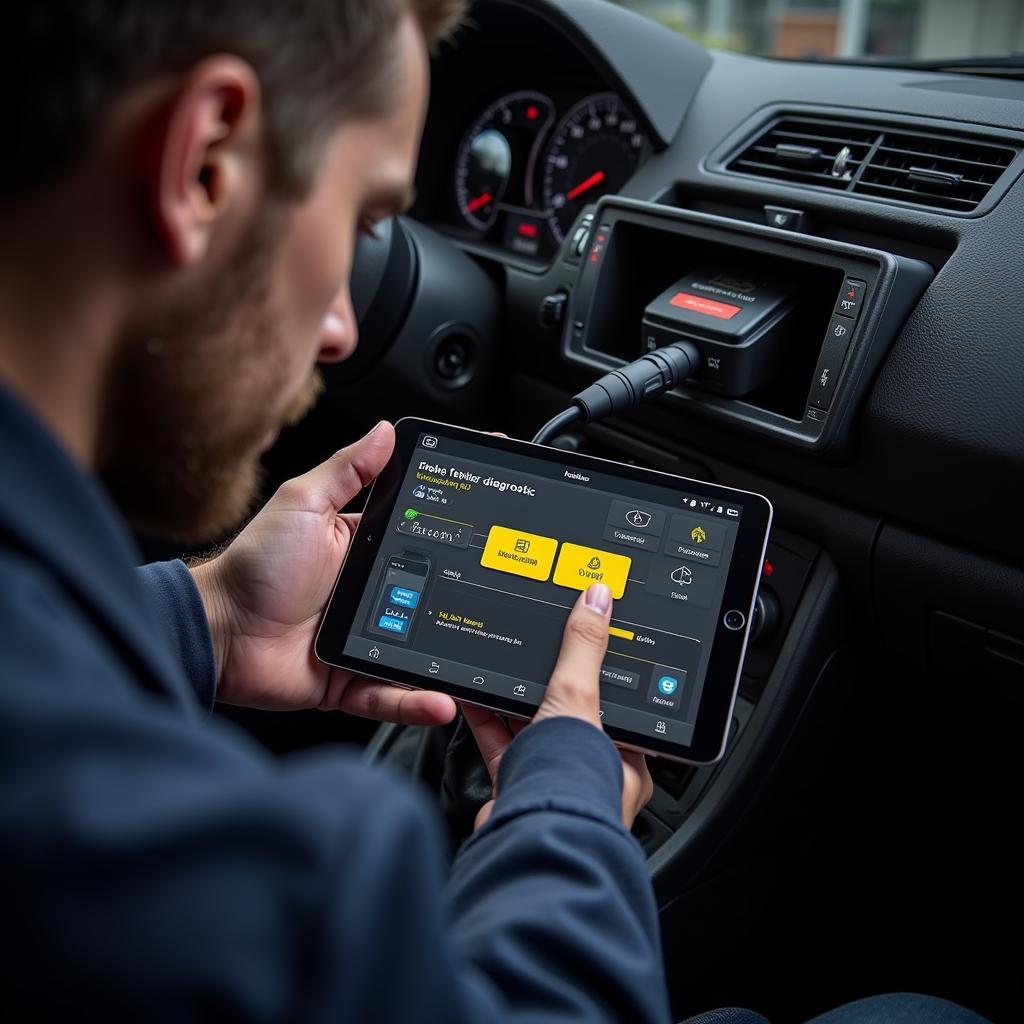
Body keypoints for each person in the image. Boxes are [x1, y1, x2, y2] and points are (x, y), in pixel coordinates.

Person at [0, 3, 993, 1022]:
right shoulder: (173, 860)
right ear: (204, 160)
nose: (341, 328)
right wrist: (568, 796)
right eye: (359, 219)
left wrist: (206, 618)